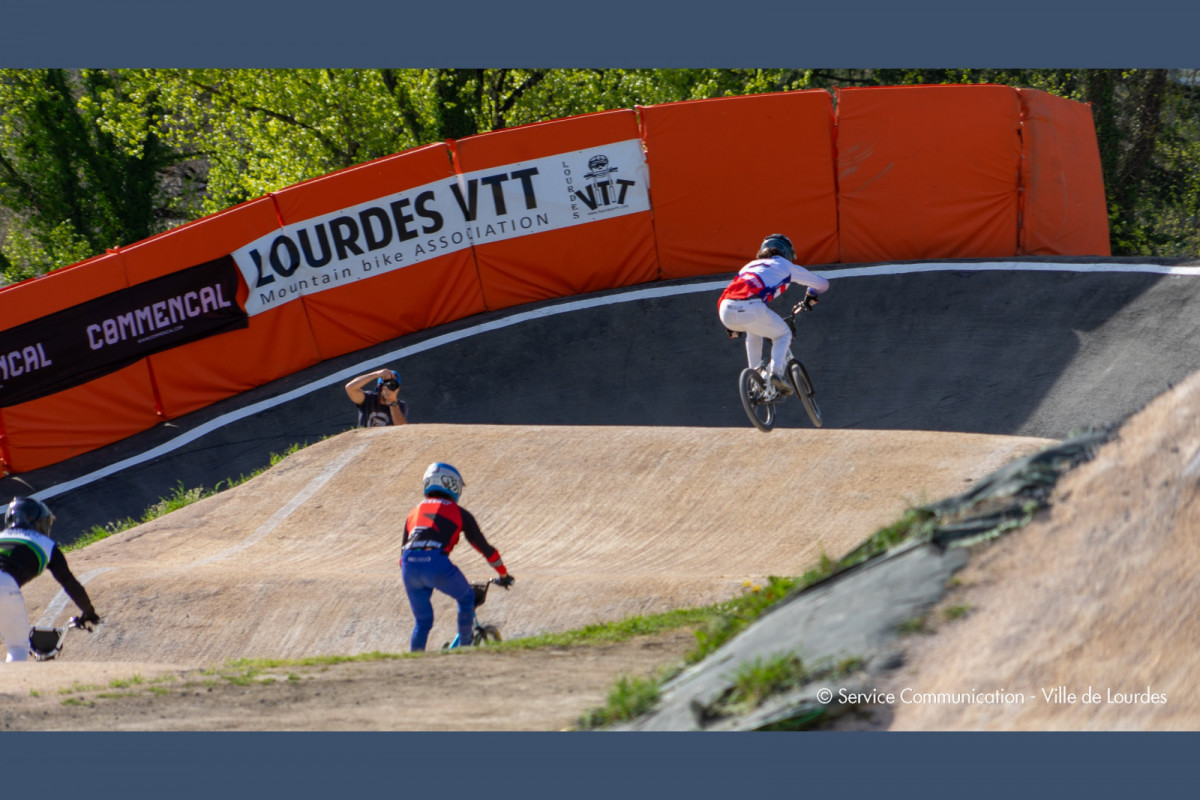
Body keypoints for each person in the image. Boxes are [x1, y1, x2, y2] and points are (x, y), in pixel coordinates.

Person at [400, 462, 513, 652]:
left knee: (423, 621)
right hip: (436, 562)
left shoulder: (415, 511)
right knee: (467, 598)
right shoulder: (459, 512)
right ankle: (465, 651)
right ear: (453, 485)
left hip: (409, 566)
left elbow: (402, 555)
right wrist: (503, 574)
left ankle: (414, 662)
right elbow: (485, 549)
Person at [718, 233, 830, 396]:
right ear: (786, 253)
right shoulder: (784, 265)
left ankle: (756, 375)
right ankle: (775, 373)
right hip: (751, 306)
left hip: (725, 308)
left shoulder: (749, 266)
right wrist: (811, 294)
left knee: (754, 329)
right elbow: (822, 283)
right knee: (784, 334)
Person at [0, 497, 101, 663]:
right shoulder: (45, 543)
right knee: (17, 647)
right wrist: (89, 611)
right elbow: (70, 583)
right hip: (5, 584)